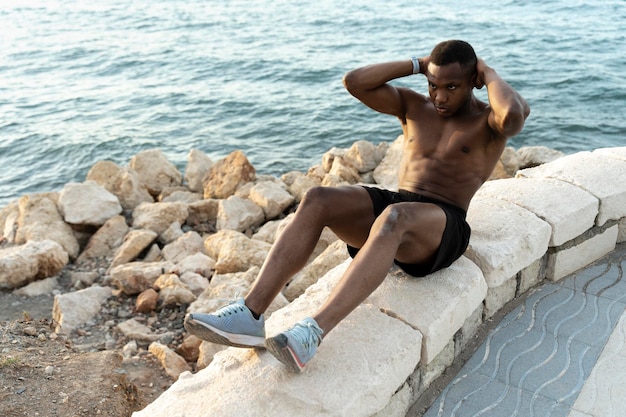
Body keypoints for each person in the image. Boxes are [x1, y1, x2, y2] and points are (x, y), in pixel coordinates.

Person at [184, 40, 530, 373]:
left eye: (451, 87)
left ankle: (311, 334)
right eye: (432, 85)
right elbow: (355, 82)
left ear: (473, 81)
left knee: (395, 216)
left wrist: (489, 73)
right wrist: (417, 64)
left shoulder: (489, 122)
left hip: (443, 227)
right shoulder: (414, 106)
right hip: (399, 208)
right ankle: (251, 314)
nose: (439, 96)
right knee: (319, 198)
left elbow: (513, 114)